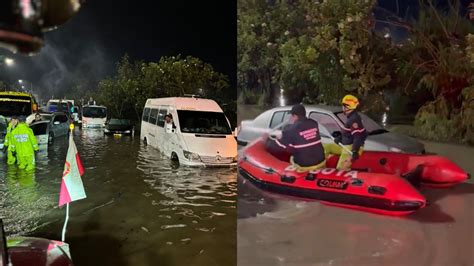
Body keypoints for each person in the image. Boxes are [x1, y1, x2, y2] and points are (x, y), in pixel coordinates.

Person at [265, 104, 326, 172]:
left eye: (292, 116)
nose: (291, 118)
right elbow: (302, 134)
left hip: (306, 165)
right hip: (321, 160)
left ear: (295, 116)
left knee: (291, 157)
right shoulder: (314, 123)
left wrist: (266, 139)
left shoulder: (290, 130)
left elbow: (278, 146)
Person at [325, 94, 368, 170]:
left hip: (350, 148)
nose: (342, 108)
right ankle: (320, 167)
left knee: (341, 169)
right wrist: (340, 138)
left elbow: (358, 137)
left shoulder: (353, 119)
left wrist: (354, 151)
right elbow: (348, 133)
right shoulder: (351, 117)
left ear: (347, 107)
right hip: (345, 145)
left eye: (343, 106)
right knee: (327, 147)